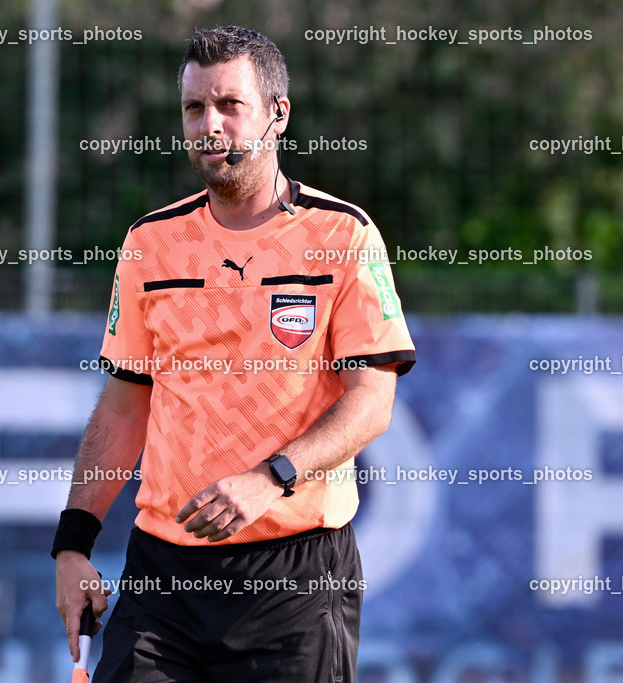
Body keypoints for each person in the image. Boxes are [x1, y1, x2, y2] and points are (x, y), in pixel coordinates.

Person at [53, 25, 415, 682]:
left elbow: (372, 401)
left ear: (277, 115)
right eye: (194, 108)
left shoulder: (344, 234)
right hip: (162, 576)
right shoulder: (150, 244)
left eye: (228, 105)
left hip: (296, 580)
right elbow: (124, 407)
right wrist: (73, 545)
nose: (208, 124)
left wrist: (270, 477)